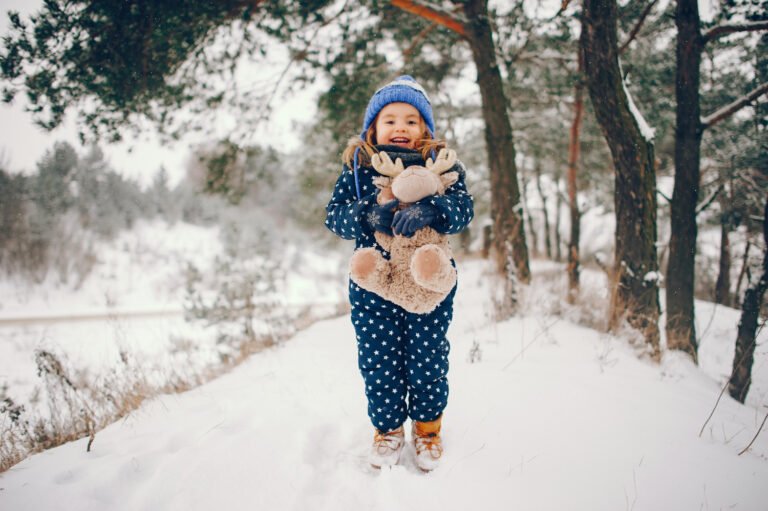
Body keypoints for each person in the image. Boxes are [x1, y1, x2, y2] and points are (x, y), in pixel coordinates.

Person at [325, 75, 474, 471]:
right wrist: (365, 214)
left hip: (429, 282)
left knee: (427, 358)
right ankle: (388, 430)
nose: (401, 128)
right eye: (390, 119)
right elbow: (333, 218)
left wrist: (433, 211)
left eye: (411, 120)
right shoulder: (358, 170)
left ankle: (427, 431)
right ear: (373, 127)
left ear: (424, 128)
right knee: (379, 360)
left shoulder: (443, 165)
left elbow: (464, 210)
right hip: (374, 283)